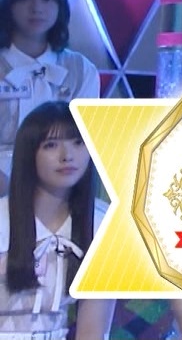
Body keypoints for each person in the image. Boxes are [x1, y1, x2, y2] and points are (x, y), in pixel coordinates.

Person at [0, 101, 114, 339]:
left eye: (78, 143)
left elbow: (92, 331)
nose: (67, 156)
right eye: (51, 145)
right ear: (29, 153)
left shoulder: (103, 224)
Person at [0, 0, 102, 194]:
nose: (36, 8)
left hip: (63, 185)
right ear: (8, 5)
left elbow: (85, 139)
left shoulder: (81, 70)